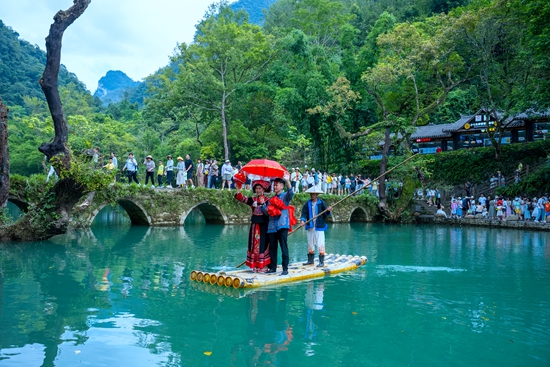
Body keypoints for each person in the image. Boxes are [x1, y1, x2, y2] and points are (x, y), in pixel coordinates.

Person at [234, 180, 271, 272]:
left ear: (263, 189)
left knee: (263, 244)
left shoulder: (268, 200)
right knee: (253, 244)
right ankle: (255, 265)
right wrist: (238, 188)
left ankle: (263, 265)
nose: (258, 190)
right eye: (256, 188)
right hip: (254, 225)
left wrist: (263, 205)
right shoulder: (253, 200)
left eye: (260, 188)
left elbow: (269, 213)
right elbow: (242, 198)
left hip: (264, 225)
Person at [263, 178, 294, 276]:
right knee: (272, 247)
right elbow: (266, 213)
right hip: (272, 225)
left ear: (282, 186)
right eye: (274, 185)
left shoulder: (285, 197)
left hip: (282, 224)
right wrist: (263, 207)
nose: (275, 187)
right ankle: (273, 267)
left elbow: (291, 193)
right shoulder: (270, 199)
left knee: (283, 246)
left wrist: (287, 181)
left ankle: (285, 268)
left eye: (277, 185)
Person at [300, 185, 332, 267]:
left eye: (314, 194)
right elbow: (304, 213)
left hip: (319, 226)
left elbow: (326, 214)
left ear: (317, 194)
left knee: (320, 243)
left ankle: (321, 262)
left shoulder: (322, 203)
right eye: (311, 193)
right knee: (310, 243)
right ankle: (310, 261)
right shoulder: (308, 203)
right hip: (310, 226)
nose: (312, 195)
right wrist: (303, 220)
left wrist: (328, 210)